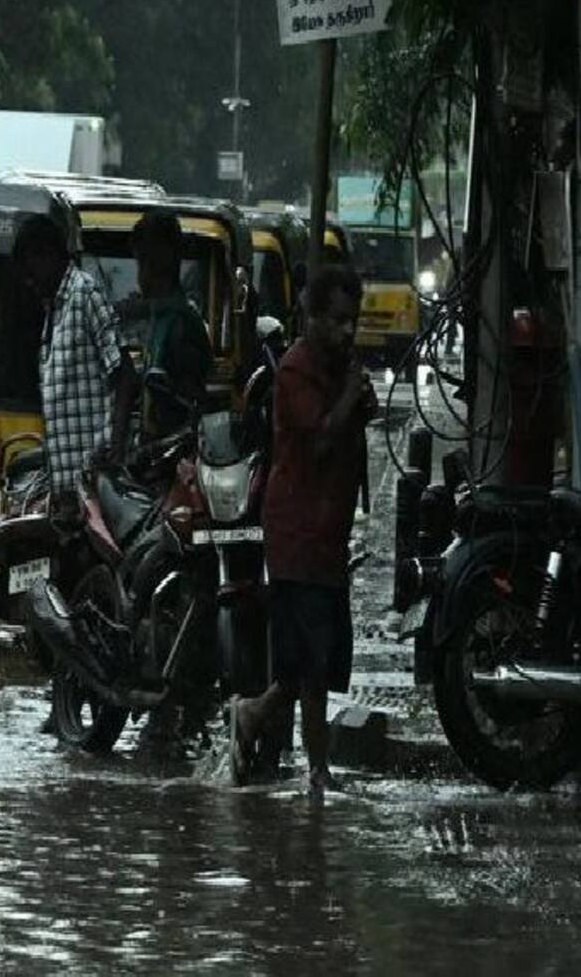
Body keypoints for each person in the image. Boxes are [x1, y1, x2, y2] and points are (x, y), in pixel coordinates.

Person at [228, 262, 372, 796]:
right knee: (310, 659)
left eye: (353, 321)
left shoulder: (338, 370)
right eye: (337, 320)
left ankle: (259, 722)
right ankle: (313, 768)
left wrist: (358, 400)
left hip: (328, 534)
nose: (347, 331)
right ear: (312, 318)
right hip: (298, 532)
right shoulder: (295, 371)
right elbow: (318, 441)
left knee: (319, 658)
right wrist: (350, 396)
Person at [13, 214, 138, 500]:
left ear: (48, 255)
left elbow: (124, 372)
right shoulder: (54, 310)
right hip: (71, 485)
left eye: (31, 271)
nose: (29, 282)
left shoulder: (84, 293)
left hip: (97, 480)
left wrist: (114, 448)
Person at [124, 210, 213, 436]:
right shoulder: (161, 316)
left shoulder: (181, 324)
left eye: (143, 262)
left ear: (161, 261)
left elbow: (186, 405)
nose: (139, 277)